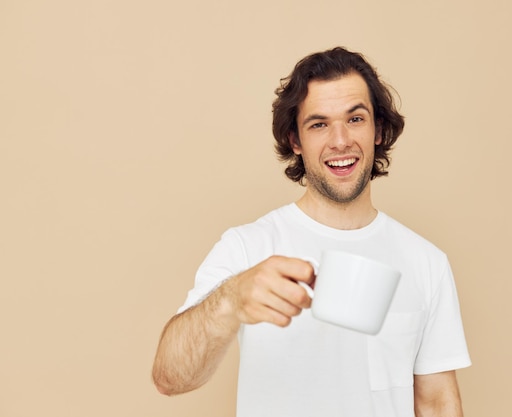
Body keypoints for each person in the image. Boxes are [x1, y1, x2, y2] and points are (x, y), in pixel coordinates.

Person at [152, 46, 471, 417]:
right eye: (318, 124)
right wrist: (231, 300)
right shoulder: (247, 247)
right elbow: (169, 377)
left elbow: (436, 403)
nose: (339, 141)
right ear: (295, 142)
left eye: (355, 119)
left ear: (378, 130)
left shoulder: (426, 262)